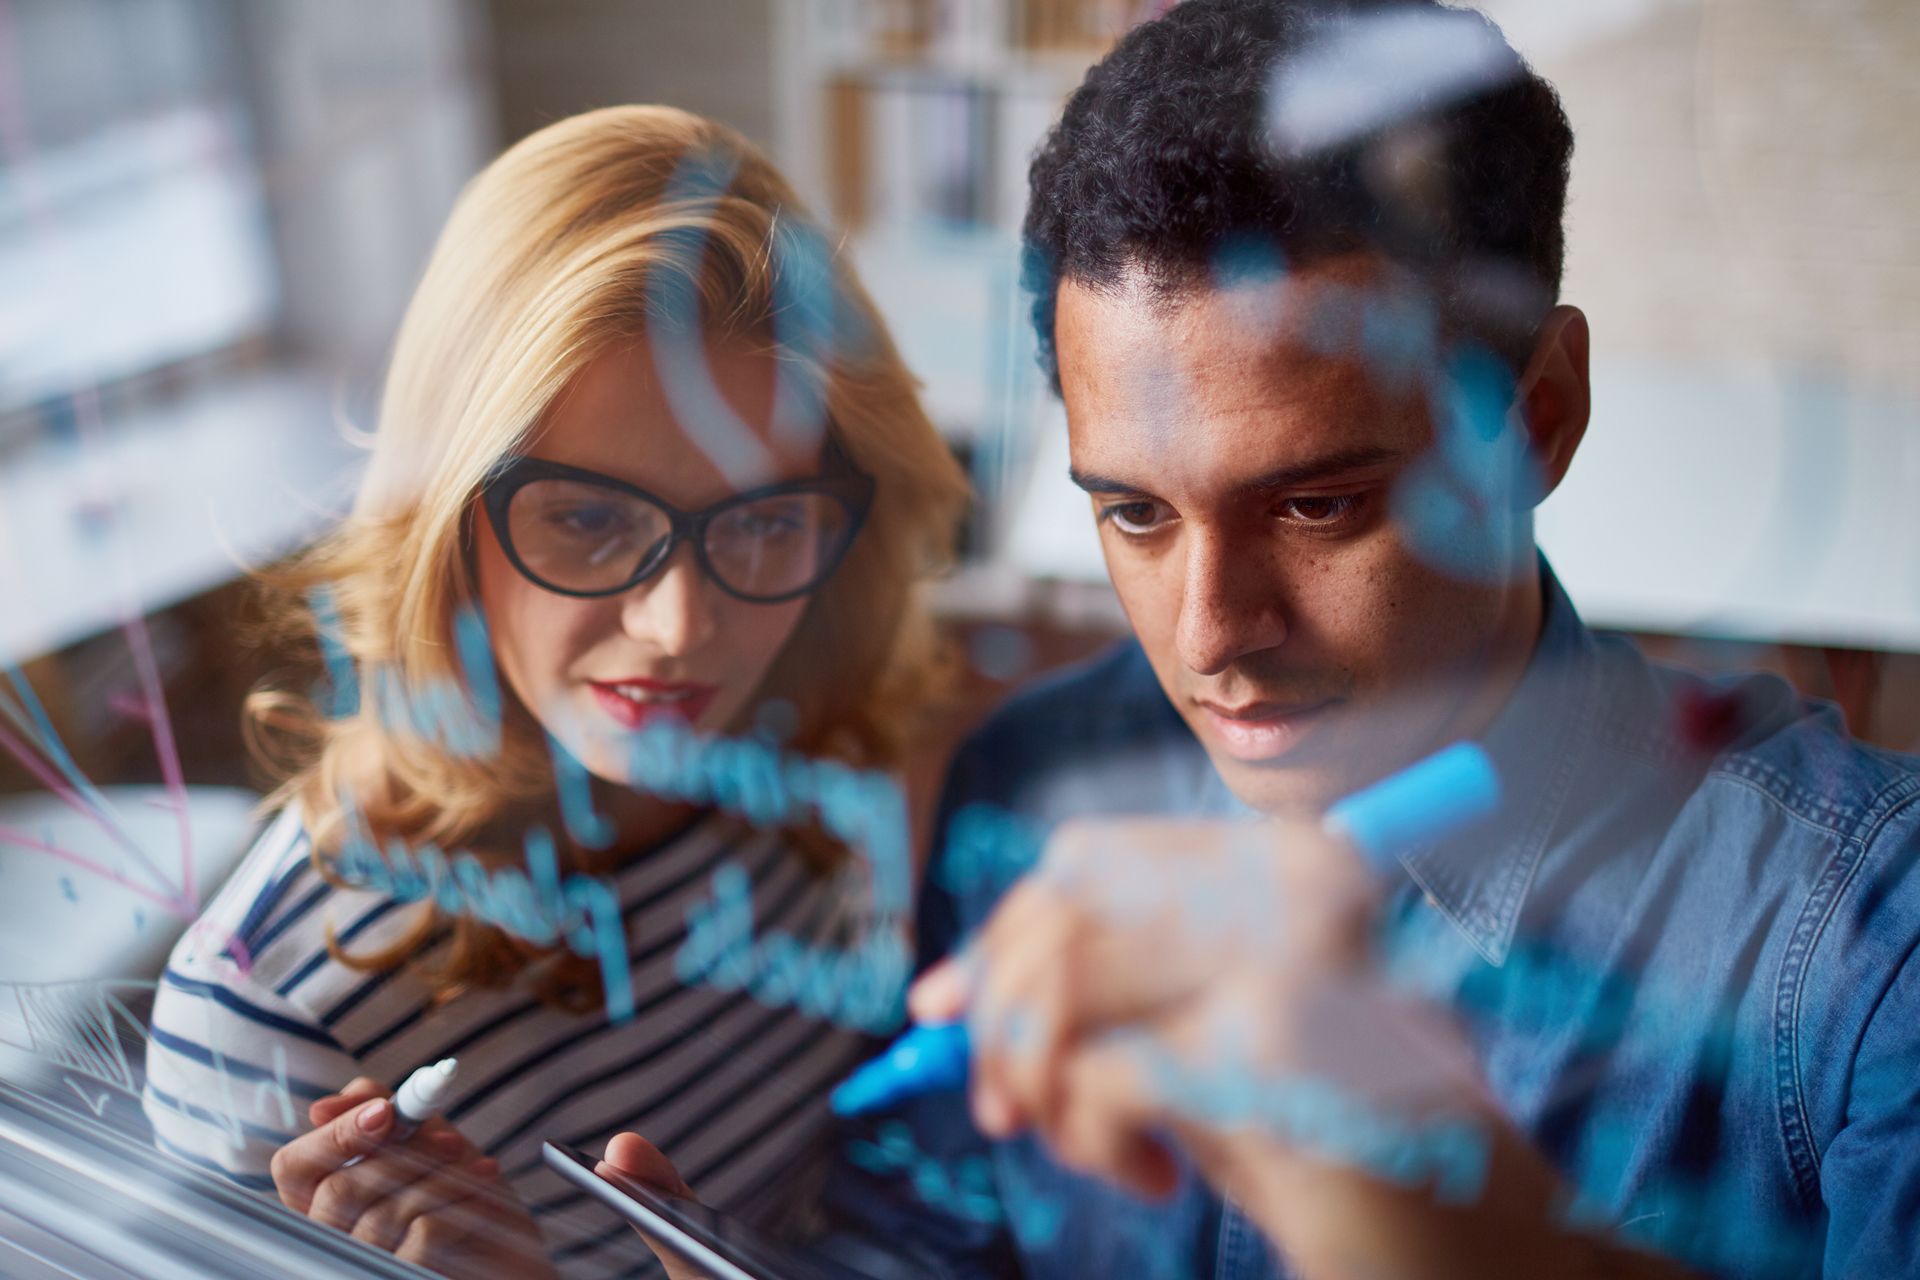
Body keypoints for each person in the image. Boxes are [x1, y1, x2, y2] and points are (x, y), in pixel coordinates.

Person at [604, 2, 1920, 1277]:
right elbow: (941, 1237)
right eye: (1134, 513)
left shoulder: (1870, 942)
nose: (1210, 633)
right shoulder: (1040, 777)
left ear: (1541, 420)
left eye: (1316, 505)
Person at [141, 104, 969, 1280]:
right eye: (588, 519)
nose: (682, 629)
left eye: (766, 519)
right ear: (443, 521)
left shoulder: (811, 762)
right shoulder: (275, 1017)